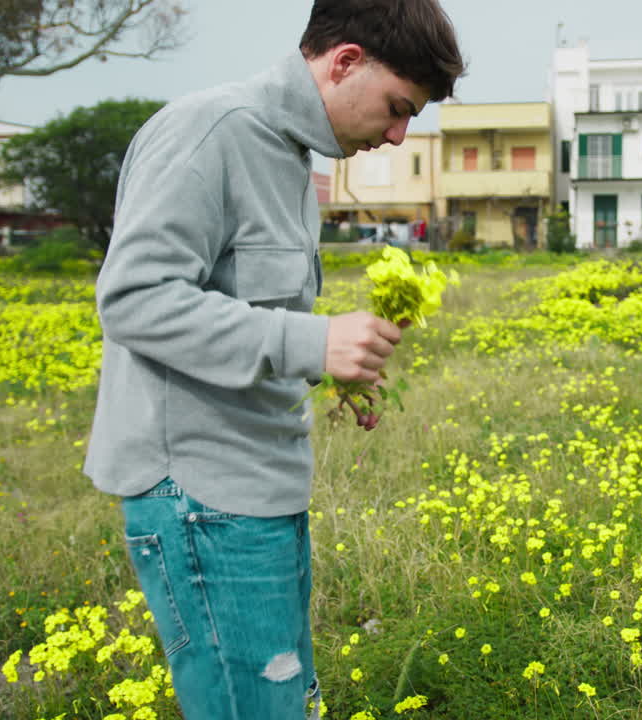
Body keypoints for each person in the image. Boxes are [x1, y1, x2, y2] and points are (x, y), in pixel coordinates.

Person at [82, 2, 465, 718]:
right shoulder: (213, 132)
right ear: (345, 61)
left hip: (257, 491)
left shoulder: (289, 156)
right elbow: (133, 298)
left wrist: (326, 367)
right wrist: (311, 342)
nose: (398, 133)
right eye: (397, 107)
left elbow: (241, 313)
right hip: (199, 496)